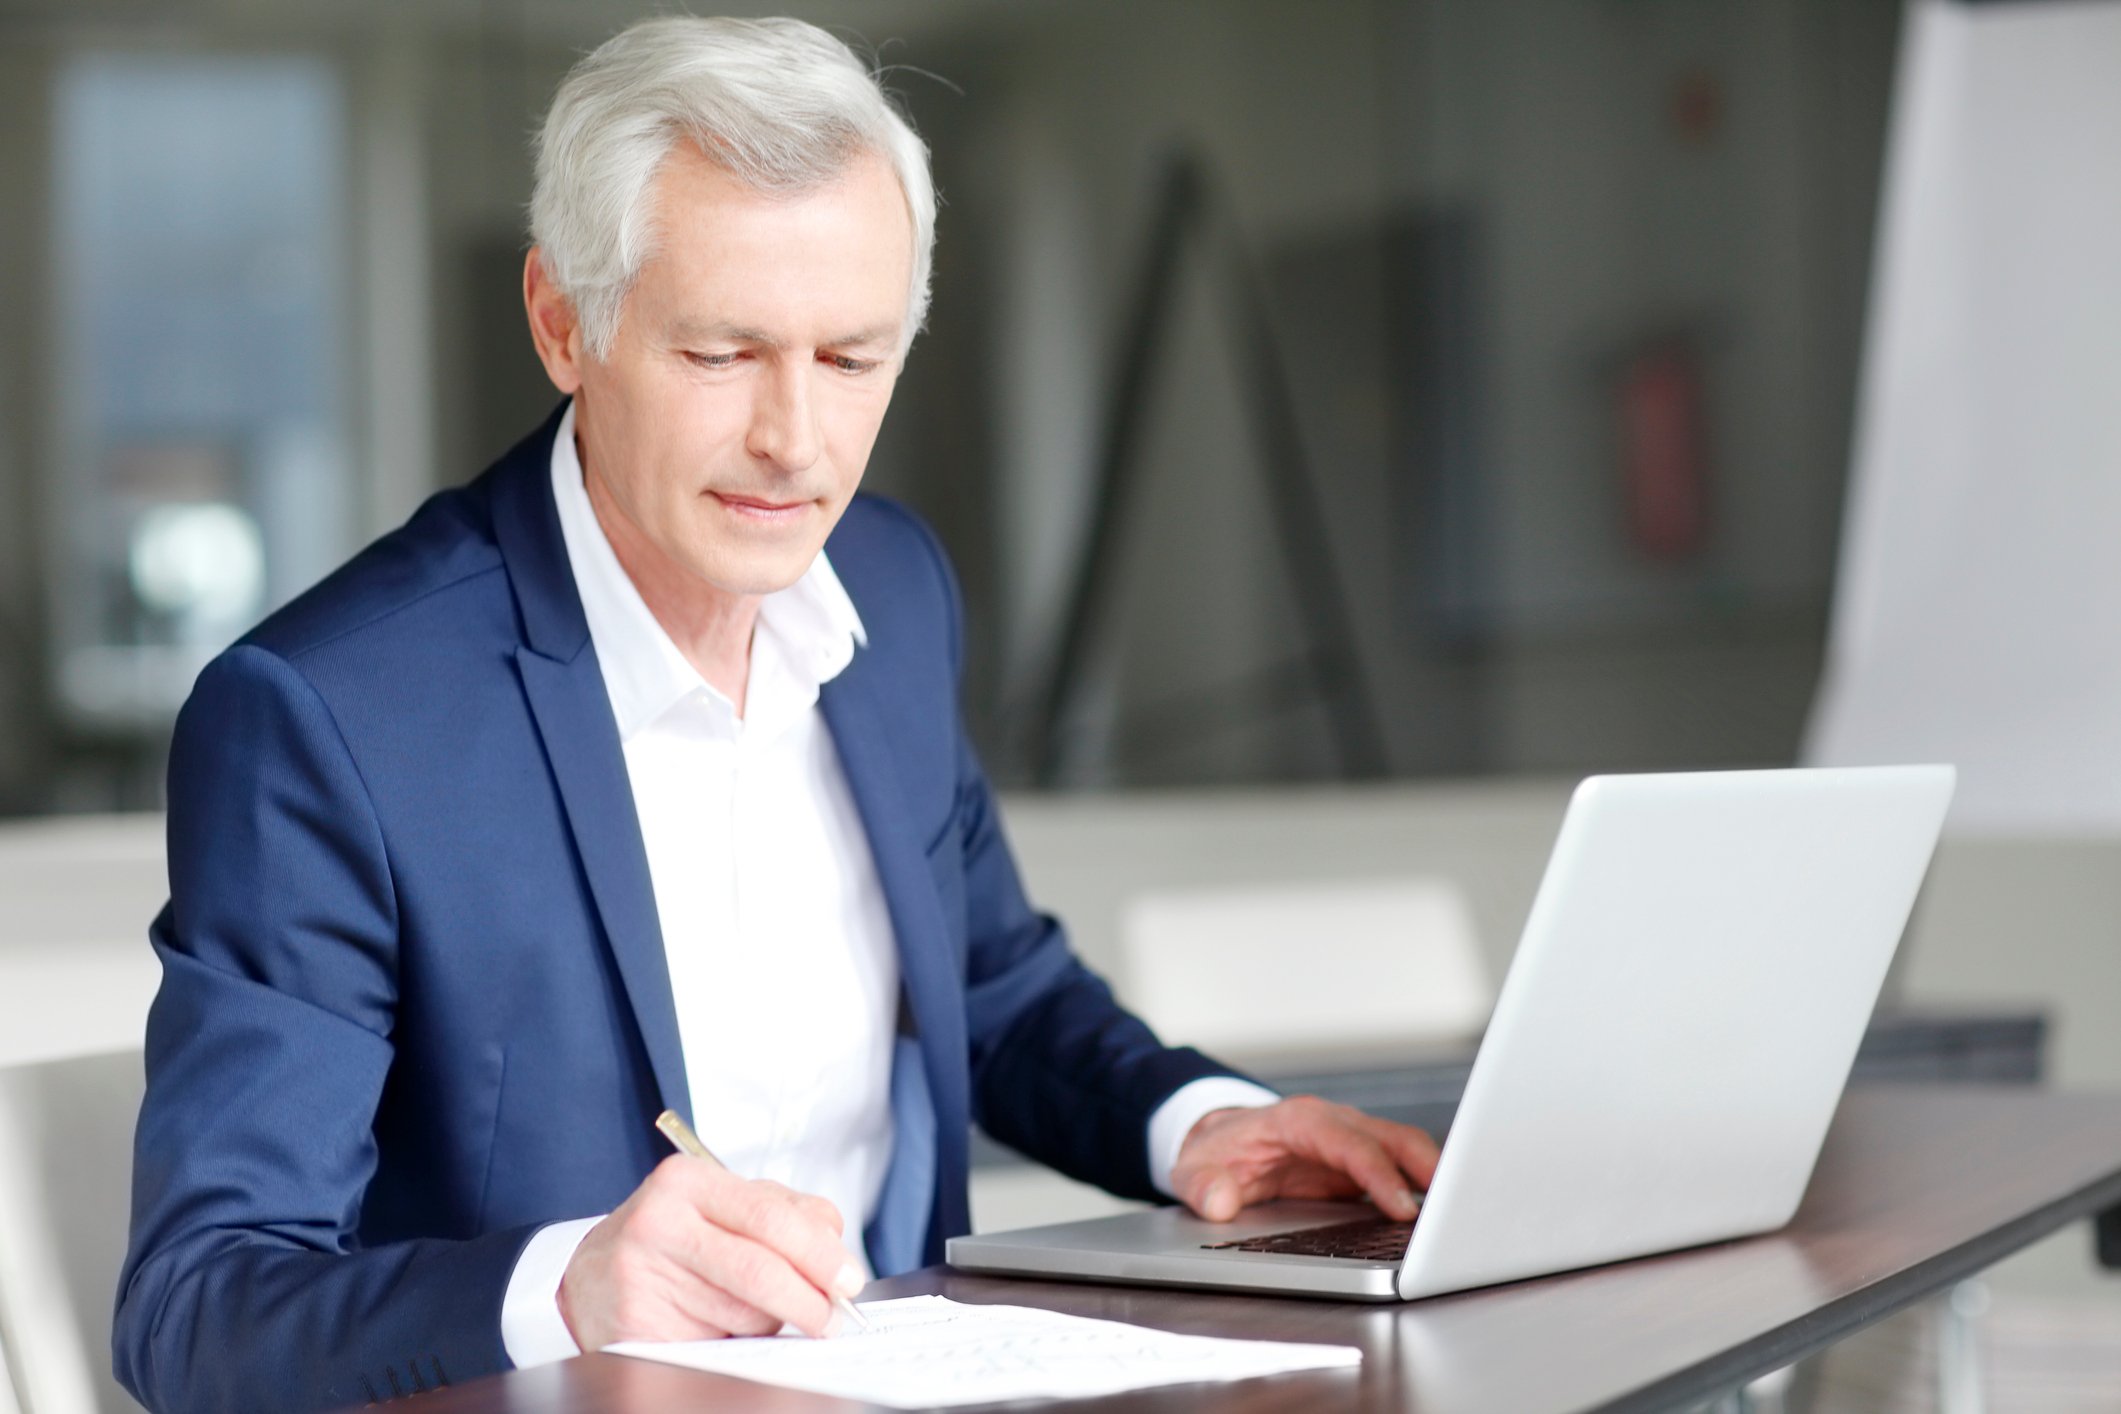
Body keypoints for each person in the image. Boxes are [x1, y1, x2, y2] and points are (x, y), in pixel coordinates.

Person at [112, 17, 1438, 1413]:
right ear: (566, 322)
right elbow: (199, 1307)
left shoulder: (892, 587)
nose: (795, 442)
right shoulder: (331, 719)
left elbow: (988, 989)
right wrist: (569, 1285)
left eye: (851, 359)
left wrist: (1201, 1126)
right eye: (722, 354)